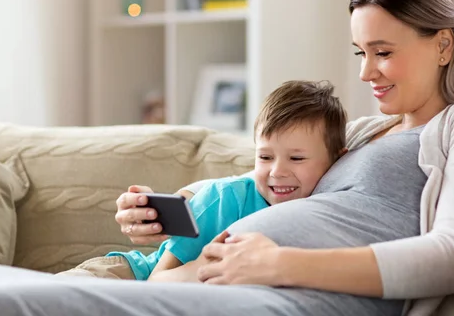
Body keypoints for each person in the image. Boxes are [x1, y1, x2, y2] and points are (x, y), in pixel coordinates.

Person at [0, 0, 454, 316]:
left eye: (384, 52)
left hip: (292, 295)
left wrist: (279, 262)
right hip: (216, 282)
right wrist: (170, 213)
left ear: (445, 46)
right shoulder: (365, 131)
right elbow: (258, 187)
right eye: (361, 53)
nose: (366, 73)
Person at [61, 80, 348, 282]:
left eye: (296, 159)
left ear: (337, 159)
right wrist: (203, 268)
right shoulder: (224, 198)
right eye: (264, 157)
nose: (276, 172)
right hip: (131, 275)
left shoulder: (326, 212)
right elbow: (158, 281)